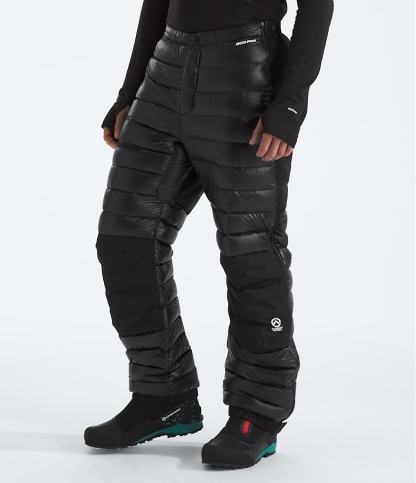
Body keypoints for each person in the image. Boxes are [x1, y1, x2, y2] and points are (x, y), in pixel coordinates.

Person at [84, 0, 334, 468]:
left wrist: (290, 103)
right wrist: (130, 91)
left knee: (251, 251)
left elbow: (317, 5)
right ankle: (163, 395)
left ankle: (257, 412)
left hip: (246, 78)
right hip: (164, 74)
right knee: (125, 239)